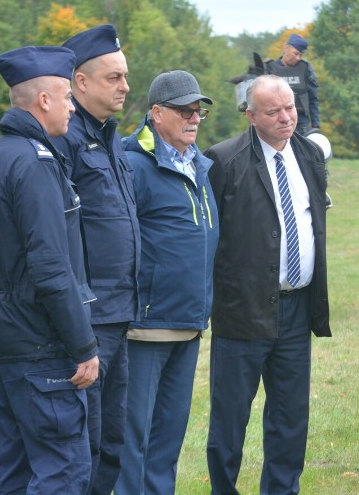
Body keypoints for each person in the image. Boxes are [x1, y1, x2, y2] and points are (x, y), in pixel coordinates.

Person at [0, 45, 99, 494]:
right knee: (61, 471)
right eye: (66, 96)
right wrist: (82, 344)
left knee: (14, 469)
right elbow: (50, 267)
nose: (71, 106)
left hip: (2, 339)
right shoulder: (35, 163)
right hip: (41, 345)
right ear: (44, 100)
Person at [204, 74, 331, 495]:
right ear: (251, 114)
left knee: (291, 417)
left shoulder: (310, 155)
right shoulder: (223, 161)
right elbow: (209, 238)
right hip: (243, 309)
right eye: (273, 111)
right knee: (230, 416)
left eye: (290, 107)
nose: (285, 117)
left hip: (296, 308)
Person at [115, 70, 219, 494]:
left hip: (188, 324)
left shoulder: (200, 165)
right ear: (156, 113)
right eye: (183, 110)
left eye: (199, 111)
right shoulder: (130, 163)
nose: (193, 118)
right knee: (131, 442)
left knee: (167, 442)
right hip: (144, 327)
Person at [52, 24, 140, 495]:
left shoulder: (111, 137)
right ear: (80, 82)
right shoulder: (64, 139)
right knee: (80, 446)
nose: (125, 86)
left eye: (125, 77)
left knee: (111, 442)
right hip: (87, 320)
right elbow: (56, 239)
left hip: (118, 312)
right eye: (113, 77)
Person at [265, 34, 320, 134]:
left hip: (301, 122)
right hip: (277, 120)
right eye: (296, 53)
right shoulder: (269, 69)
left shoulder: (305, 69)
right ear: (286, 48)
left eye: (300, 55)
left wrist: (316, 125)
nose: (298, 58)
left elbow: (313, 98)